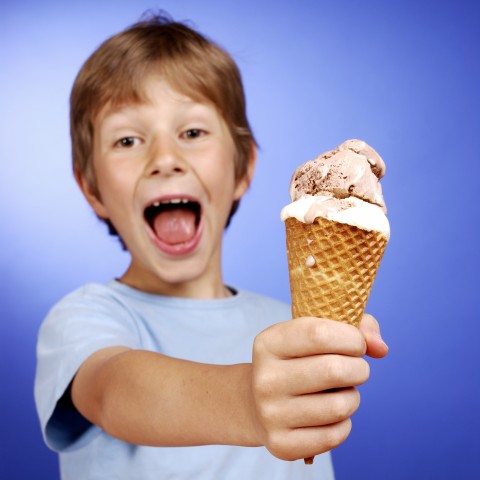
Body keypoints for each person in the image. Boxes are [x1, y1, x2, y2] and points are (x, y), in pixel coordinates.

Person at [34, 12, 388, 480]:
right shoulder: (83, 319)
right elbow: (111, 391)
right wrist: (247, 401)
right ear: (92, 189)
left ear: (243, 169)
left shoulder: (291, 329)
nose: (164, 159)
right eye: (127, 139)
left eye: (193, 133)